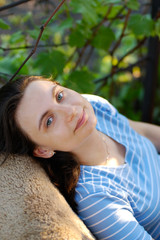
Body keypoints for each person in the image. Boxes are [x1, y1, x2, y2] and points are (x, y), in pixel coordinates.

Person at [0, 76, 159, 240]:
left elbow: (143, 132)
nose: (71, 111)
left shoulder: (95, 106)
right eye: (49, 120)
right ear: (42, 150)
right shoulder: (97, 198)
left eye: (59, 96)